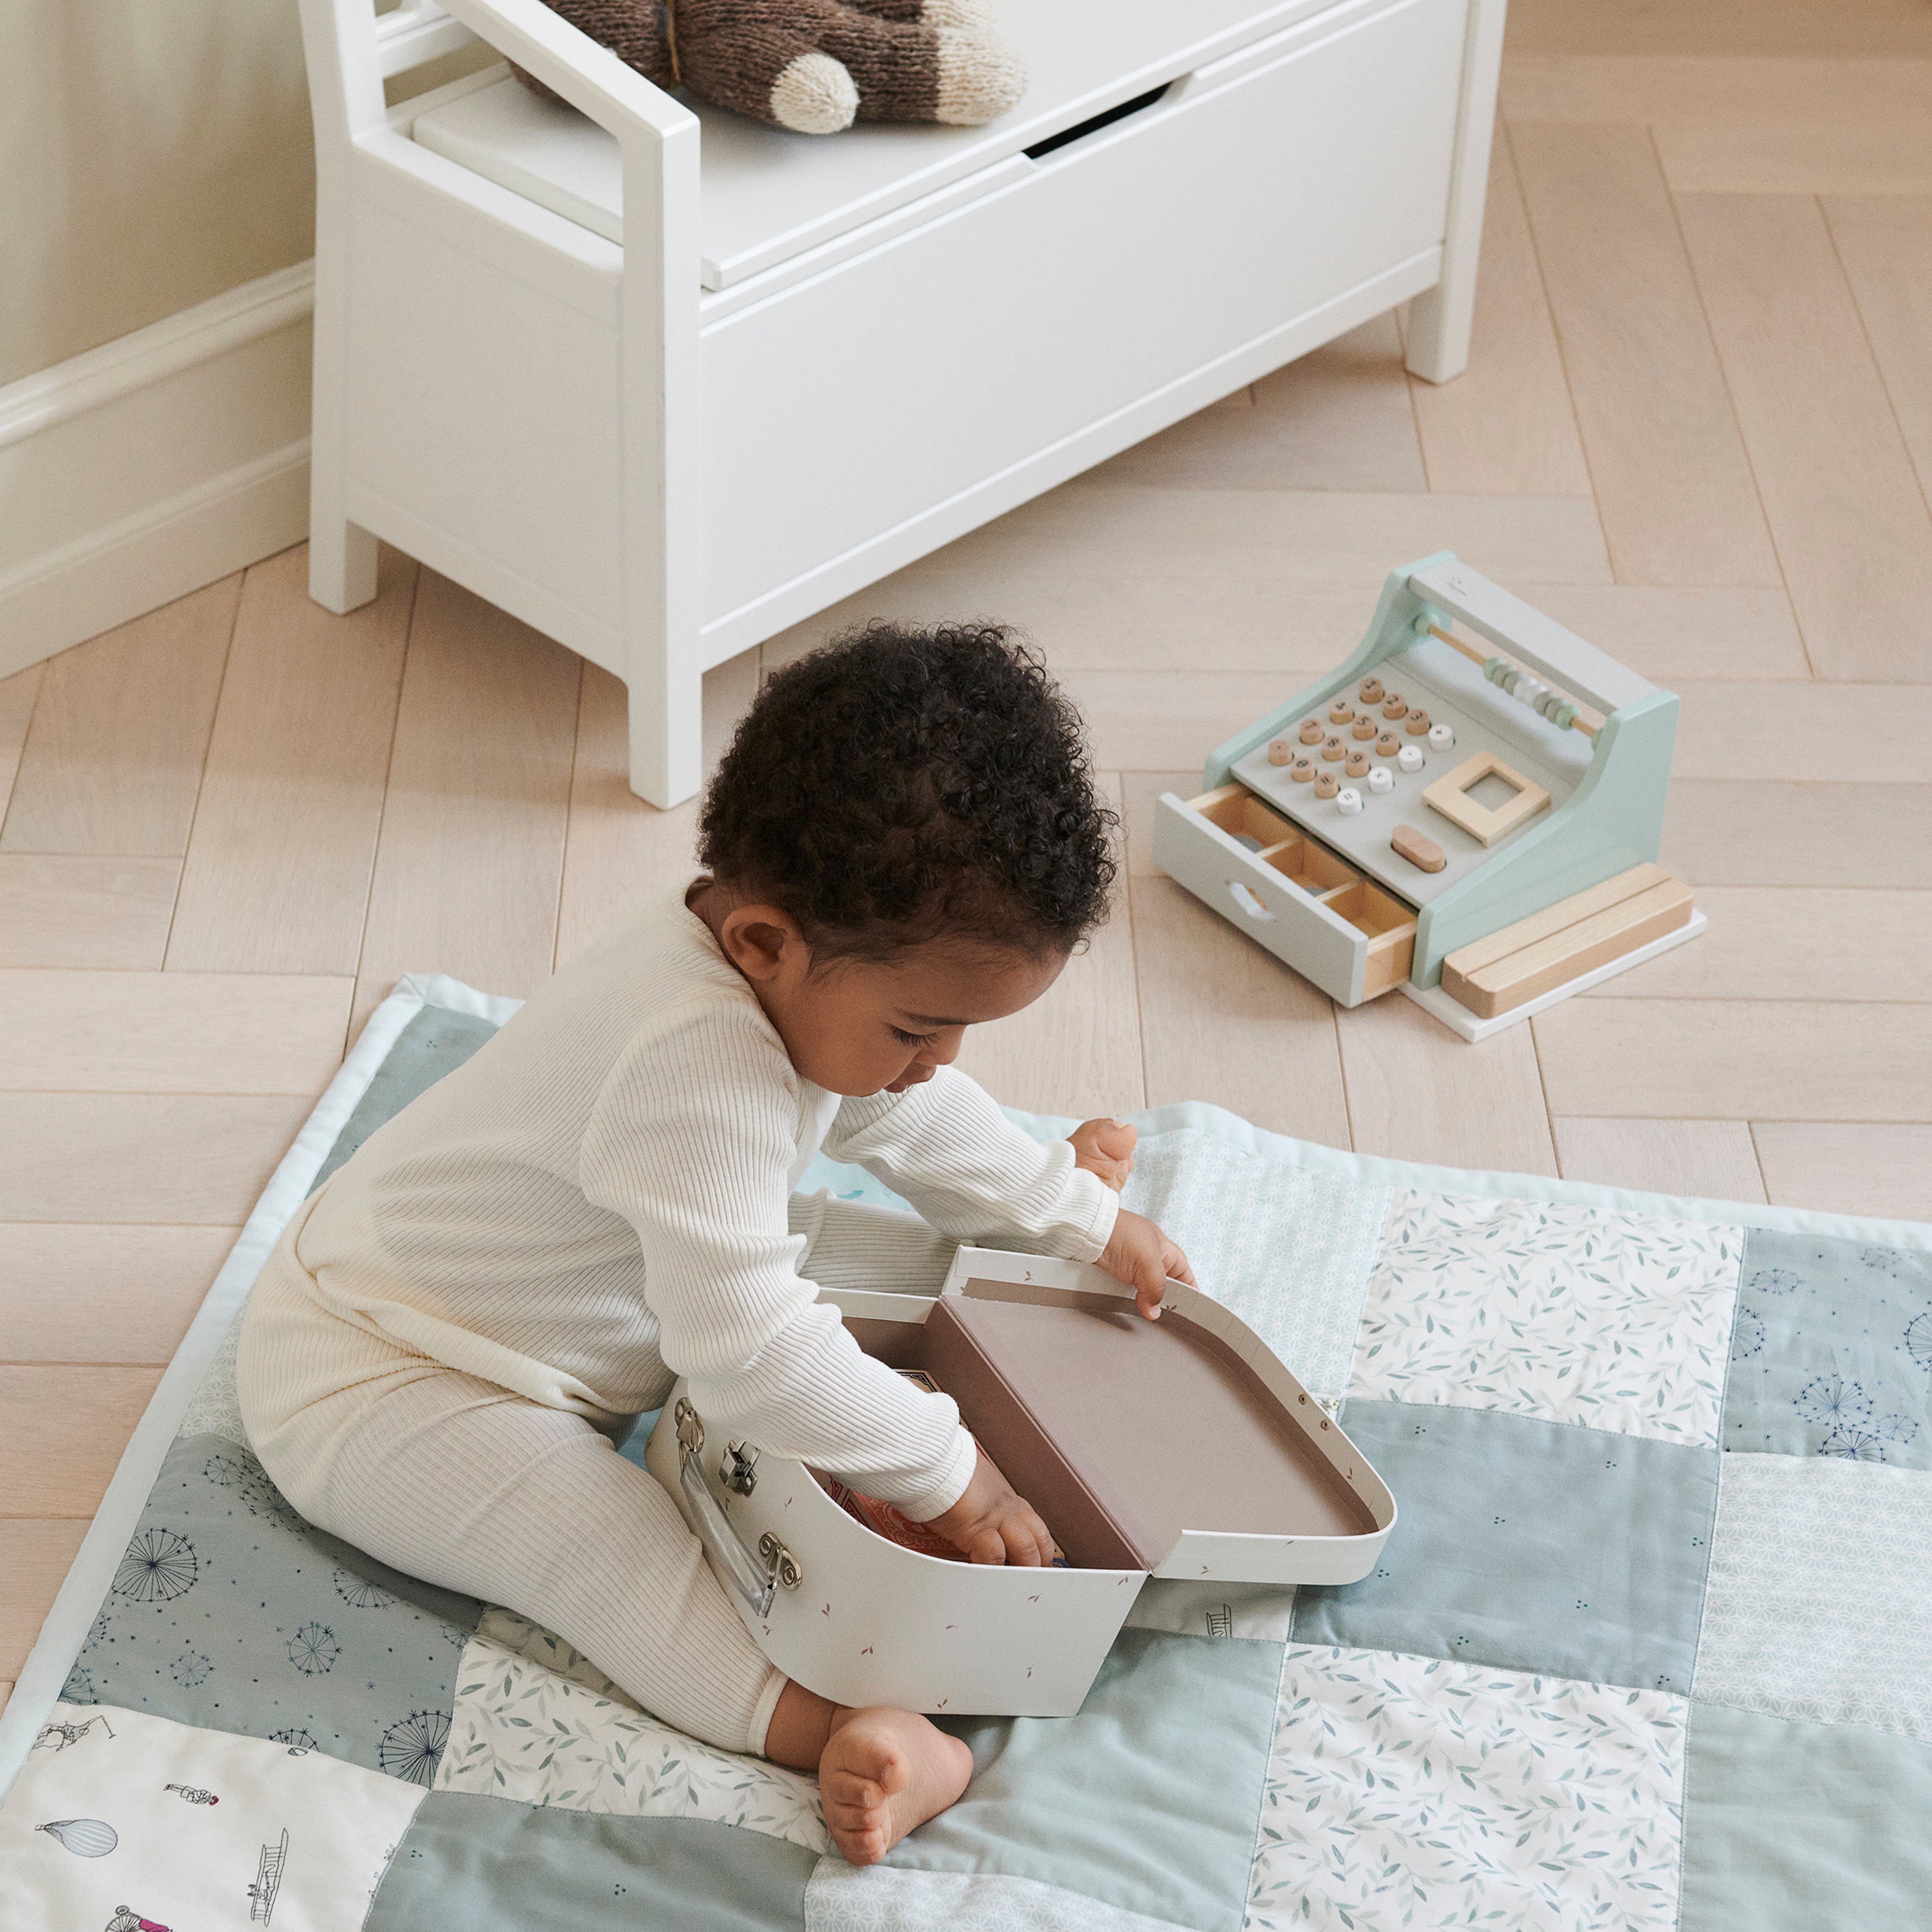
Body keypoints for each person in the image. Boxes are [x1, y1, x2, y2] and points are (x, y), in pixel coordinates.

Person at [236, 623, 1191, 1864]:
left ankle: (1012, 1255)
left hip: (587, 1298)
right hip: (385, 1376)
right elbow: (749, 1353)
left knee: (869, 1251)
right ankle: (843, 1724)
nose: (939, 1060)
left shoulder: (771, 957)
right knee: (603, 1550)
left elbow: (905, 1113)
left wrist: (1069, 1212)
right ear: (764, 946)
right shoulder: (694, 1063)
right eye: (919, 1027)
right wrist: (951, 1472)